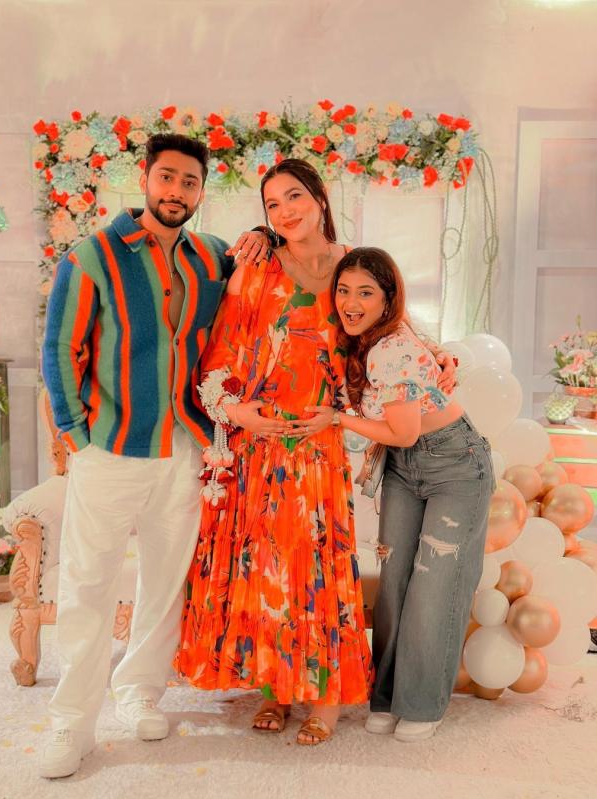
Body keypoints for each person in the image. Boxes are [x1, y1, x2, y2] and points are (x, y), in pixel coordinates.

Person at [175, 160, 455, 745]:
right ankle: (274, 688)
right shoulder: (255, 267)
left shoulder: (352, 267)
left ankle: (324, 697)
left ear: (320, 198)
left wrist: (439, 355)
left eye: (295, 196)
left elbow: (389, 322)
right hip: (259, 441)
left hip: (319, 439)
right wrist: (237, 412)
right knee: (265, 569)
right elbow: (219, 354)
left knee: (317, 569)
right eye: (272, 204)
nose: (285, 212)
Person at [39, 133, 270, 779]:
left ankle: (139, 691)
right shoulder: (91, 256)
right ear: (144, 178)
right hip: (110, 449)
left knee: (165, 583)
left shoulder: (210, 255)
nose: (176, 191)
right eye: (167, 177)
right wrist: (75, 435)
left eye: (190, 182)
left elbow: (264, 261)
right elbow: (59, 348)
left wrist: (260, 231)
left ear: (201, 191)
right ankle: (70, 722)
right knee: (88, 584)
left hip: (185, 449)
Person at [331, 246, 494, 742]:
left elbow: (401, 432)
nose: (351, 302)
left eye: (366, 293)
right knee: (394, 582)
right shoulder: (358, 338)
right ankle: (386, 697)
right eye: (343, 290)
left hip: (455, 464)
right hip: (403, 467)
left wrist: (336, 418)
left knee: (434, 585)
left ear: (388, 298)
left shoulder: (389, 348)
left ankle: (421, 703)